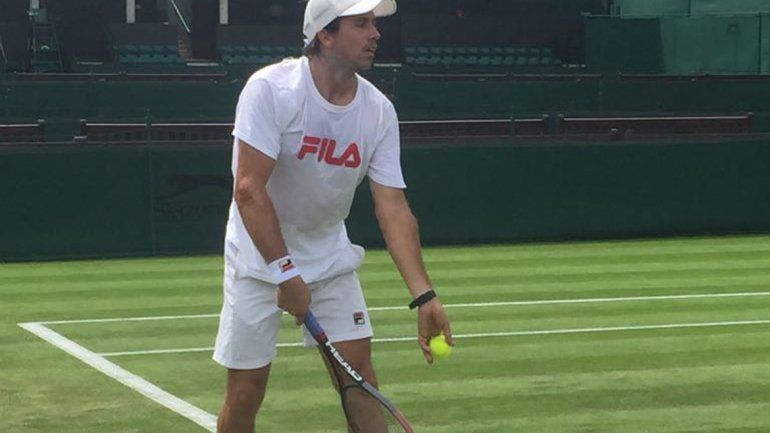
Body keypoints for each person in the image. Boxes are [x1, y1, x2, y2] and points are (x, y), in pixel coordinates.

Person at [213, 0, 453, 431]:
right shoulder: (270, 89)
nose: (375, 33)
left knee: (359, 379)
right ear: (325, 34)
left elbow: (392, 207)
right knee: (246, 390)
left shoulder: (378, 111)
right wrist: (285, 273)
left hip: (329, 258)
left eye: (374, 23)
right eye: (361, 24)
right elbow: (249, 190)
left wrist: (425, 296)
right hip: (258, 257)